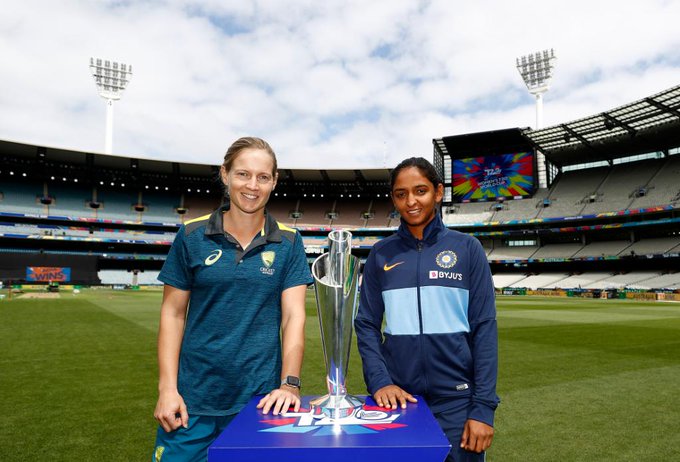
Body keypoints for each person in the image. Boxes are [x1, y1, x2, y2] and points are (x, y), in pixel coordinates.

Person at [152, 137, 312, 462]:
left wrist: (290, 384)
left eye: (263, 177)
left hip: (261, 401)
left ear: (274, 181)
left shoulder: (290, 242)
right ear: (225, 175)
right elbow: (172, 314)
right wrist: (167, 389)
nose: (252, 185)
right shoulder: (191, 236)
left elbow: (293, 317)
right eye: (243, 174)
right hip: (191, 400)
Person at [354, 157, 499, 461]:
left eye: (420, 190)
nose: (410, 201)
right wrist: (381, 382)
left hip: (458, 402)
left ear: (438, 192)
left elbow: (484, 328)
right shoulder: (381, 253)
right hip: (399, 402)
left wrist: (483, 408)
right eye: (401, 194)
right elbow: (366, 324)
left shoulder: (467, 248)